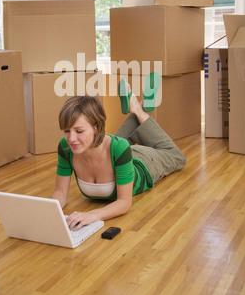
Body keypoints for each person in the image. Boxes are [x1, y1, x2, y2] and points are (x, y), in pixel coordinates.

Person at [52, 77, 186, 231]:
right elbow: (60, 192)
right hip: (115, 156)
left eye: (79, 131)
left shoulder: (119, 147)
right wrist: (49, 212)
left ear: (96, 127)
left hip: (143, 162)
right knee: (116, 146)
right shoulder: (66, 147)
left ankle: (136, 107)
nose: (71, 138)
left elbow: (124, 202)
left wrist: (93, 215)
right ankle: (136, 106)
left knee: (177, 156)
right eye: (66, 131)